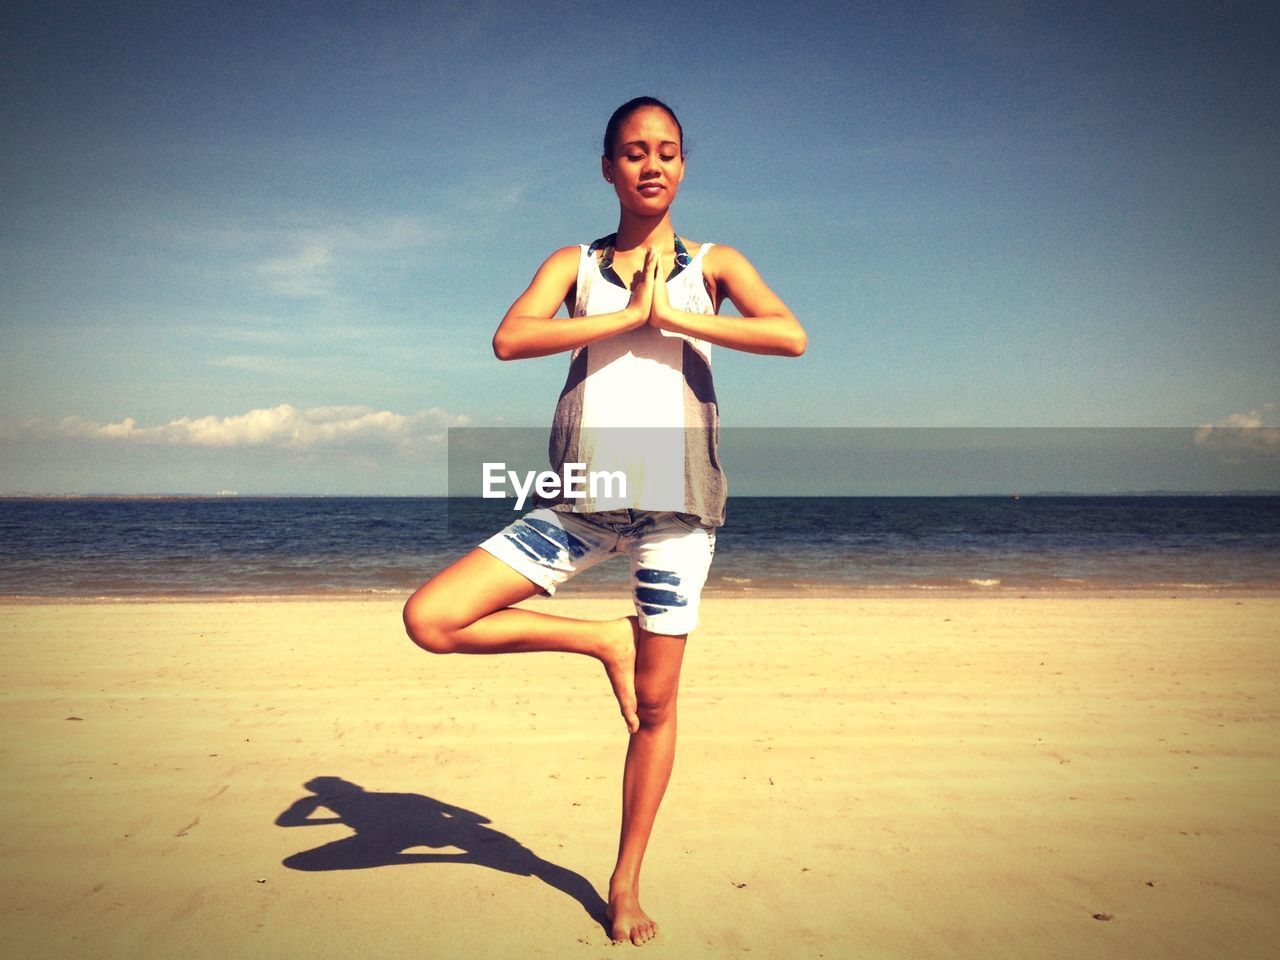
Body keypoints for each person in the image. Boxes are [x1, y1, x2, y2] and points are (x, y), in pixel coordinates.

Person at [403, 96, 805, 947]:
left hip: (677, 514)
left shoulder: (714, 263)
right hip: (584, 501)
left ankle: (624, 882)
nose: (650, 164)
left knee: (654, 712)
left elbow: (790, 334)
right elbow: (510, 339)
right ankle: (600, 640)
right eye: (632, 152)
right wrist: (625, 318)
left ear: (684, 165)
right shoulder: (574, 264)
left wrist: (674, 317)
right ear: (607, 168)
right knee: (431, 618)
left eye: (665, 151)